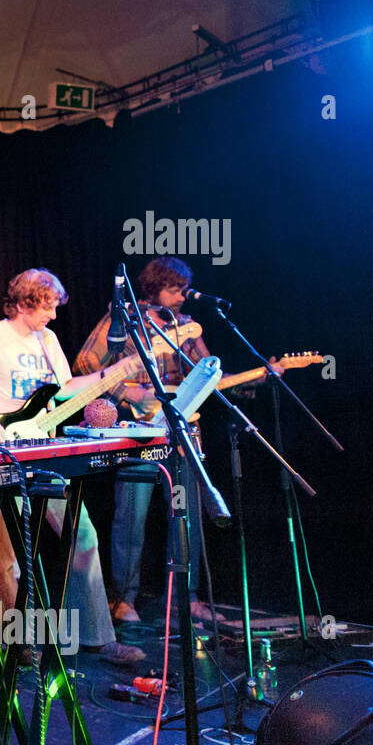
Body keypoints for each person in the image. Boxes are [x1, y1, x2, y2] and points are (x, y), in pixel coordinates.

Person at [0, 268, 144, 665]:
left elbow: (64, 389)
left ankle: (97, 637)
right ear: (21, 304)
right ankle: (14, 645)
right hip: (3, 452)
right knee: (6, 554)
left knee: (83, 536)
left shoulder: (48, 340)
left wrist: (109, 375)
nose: (52, 316)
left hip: (45, 449)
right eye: (45, 307)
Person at [73, 256, 278, 623]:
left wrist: (262, 375)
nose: (182, 296)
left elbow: (210, 374)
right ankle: (123, 599)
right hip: (137, 434)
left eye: (183, 289)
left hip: (180, 433)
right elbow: (86, 363)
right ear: (154, 288)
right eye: (174, 289)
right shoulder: (124, 320)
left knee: (187, 516)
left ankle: (187, 597)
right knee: (130, 518)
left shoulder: (186, 327)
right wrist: (128, 393)